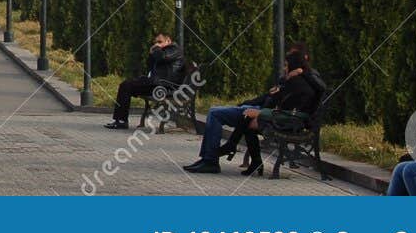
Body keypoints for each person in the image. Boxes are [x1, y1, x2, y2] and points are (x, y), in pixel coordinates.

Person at [184, 45, 322, 175]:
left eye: (287, 65)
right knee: (235, 112)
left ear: (300, 63)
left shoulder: (303, 80)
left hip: (278, 118)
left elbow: (291, 110)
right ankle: (221, 156)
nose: (284, 69)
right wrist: (262, 98)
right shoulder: (291, 80)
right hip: (268, 112)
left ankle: (212, 159)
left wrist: (261, 112)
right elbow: (272, 99)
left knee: (216, 113)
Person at [105, 33, 187, 130]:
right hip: (157, 83)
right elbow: (150, 66)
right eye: (155, 42)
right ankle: (120, 120)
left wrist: (156, 49)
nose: (157, 44)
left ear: (168, 40)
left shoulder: (174, 49)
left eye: (160, 42)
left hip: (164, 86)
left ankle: (122, 121)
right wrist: (152, 54)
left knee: (126, 85)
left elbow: (163, 57)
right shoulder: (162, 50)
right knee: (126, 85)